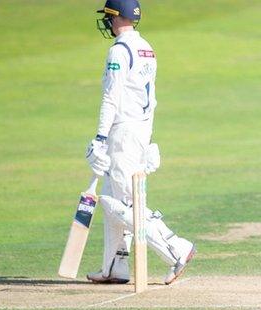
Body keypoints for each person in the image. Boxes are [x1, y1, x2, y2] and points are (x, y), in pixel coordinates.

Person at [85, 0, 195, 285]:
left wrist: (99, 138)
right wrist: (147, 140)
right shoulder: (147, 47)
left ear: (114, 18)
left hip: (122, 132)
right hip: (139, 130)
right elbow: (151, 98)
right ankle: (114, 266)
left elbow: (112, 97)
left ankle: (175, 249)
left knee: (123, 202)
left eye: (108, 18)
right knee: (112, 196)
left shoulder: (118, 51)